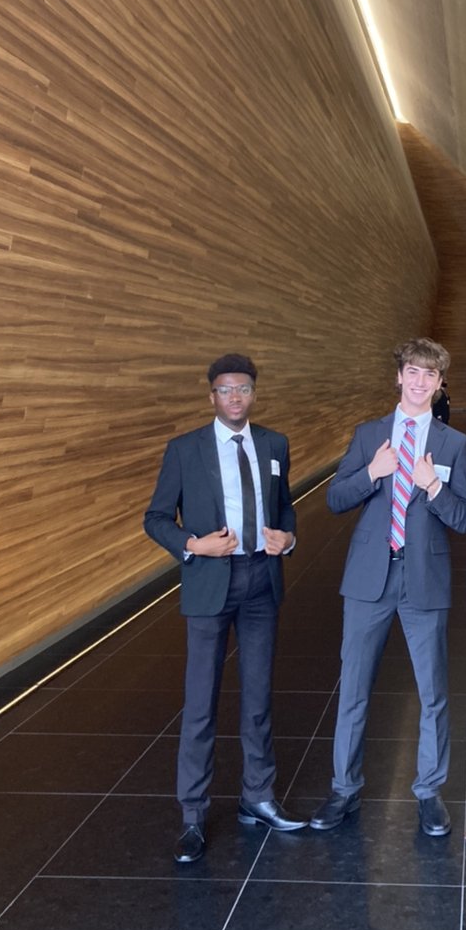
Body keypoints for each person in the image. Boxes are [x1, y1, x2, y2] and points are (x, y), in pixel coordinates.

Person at [144, 353, 307, 864]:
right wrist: (194, 544)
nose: (235, 398)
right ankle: (192, 814)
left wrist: (289, 537)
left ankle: (257, 797)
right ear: (211, 396)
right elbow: (154, 518)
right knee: (200, 703)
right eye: (226, 390)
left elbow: (284, 508)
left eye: (244, 390)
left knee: (257, 697)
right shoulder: (184, 450)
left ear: (254, 394)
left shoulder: (274, 444)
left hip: (261, 580)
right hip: (211, 582)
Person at [310, 338, 466, 837]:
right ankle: (344, 787)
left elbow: (465, 517)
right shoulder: (369, 435)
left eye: (431, 375)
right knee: (354, 689)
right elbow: (336, 498)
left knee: (432, 692)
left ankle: (428, 791)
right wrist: (371, 473)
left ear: (440, 383)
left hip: (423, 577)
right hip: (368, 578)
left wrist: (433, 487)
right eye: (413, 372)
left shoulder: (454, 444)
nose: (421, 382)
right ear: (398, 376)